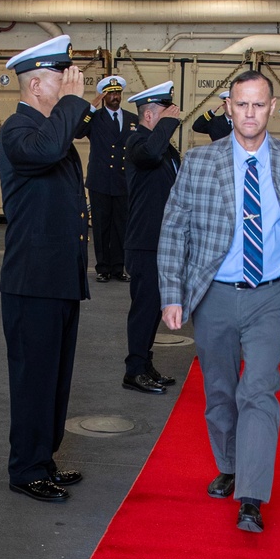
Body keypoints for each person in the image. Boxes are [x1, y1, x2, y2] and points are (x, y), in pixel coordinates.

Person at [158, 69, 280, 533]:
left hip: (271, 295)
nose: (249, 113)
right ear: (228, 107)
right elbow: (174, 229)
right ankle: (229, 465)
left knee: (258, 391)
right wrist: (172, 295)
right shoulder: (200, 162)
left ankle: (252, 495)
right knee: (220, 390)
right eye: (241, 104)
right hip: (215, 295)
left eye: (258, 105)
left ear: (273, 107)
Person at [0, 34, 90, 503]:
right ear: (36, 85)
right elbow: (50, 149)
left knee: (55, 378)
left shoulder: (51, 132)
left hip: (58, 280)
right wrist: (72, 103)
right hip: (32, 283)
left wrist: (69, 104)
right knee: (34, 380)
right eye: (62, 76)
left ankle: (44, 458)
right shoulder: (17, 132)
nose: (72, 82)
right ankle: (26, 468)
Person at [121, 81, 181, 396]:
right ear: (149, 116)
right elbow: (150, 153)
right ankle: (133, 370)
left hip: (164, 241)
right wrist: (169, 123)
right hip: (144, 241)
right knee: (144, 307)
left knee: (155, 307)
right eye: (165, 111)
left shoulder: (164, 148)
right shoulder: (137, 142)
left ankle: (145, 364)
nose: (173, 115)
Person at [75, 72, 136, 283]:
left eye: (118, 92)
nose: (115, 96)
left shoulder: (131, 119)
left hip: (122, 182)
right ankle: (102, 268)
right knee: (101, 227)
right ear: (103, 96)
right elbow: (77, 132)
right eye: (110, 93)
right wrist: (91, 107)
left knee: (122, 226)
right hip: (100, 181)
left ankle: (119, 267)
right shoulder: (94, 118)